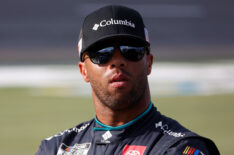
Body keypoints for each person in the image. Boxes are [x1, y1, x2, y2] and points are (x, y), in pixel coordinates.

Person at [35, 5, 219, 155]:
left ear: (149, 63)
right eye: (102, 54)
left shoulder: (179, 148)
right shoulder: (55, 148)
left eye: (131, 50)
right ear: (84, 71)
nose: (117, 61)